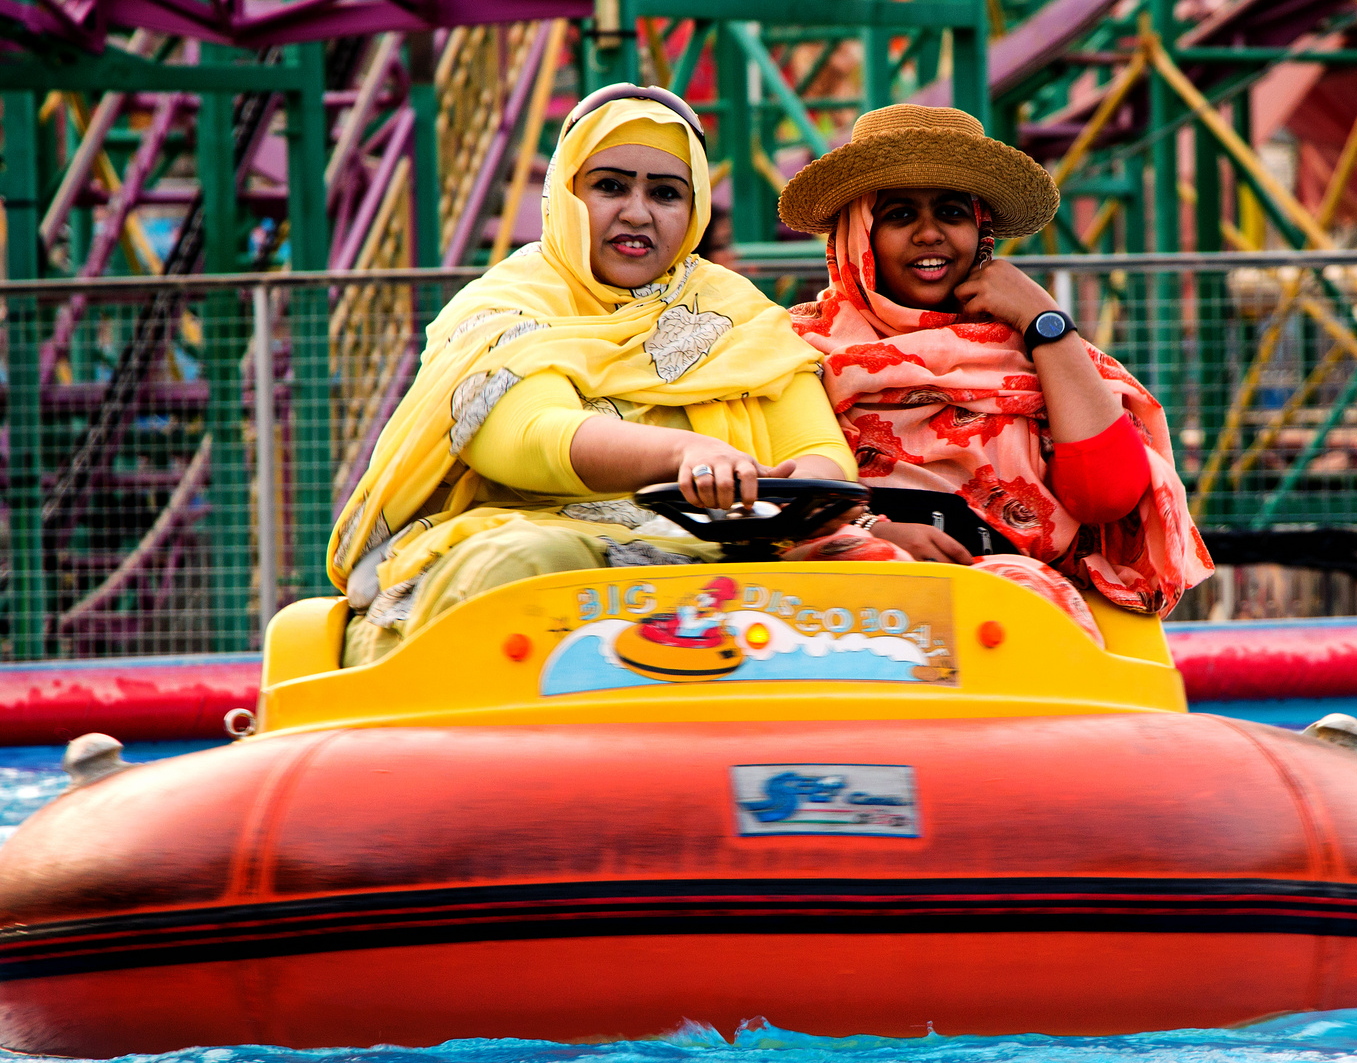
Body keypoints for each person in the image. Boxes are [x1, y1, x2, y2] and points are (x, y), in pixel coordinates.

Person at [329, 85, 881, 666]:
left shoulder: (734, 311)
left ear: (693, 213)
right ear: (565, 193)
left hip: (727, 556)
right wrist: (682, 453)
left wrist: (787, 487)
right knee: (520, 564)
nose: (638, 212)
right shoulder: (505, 303)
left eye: (666, 194)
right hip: (548, 542)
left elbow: (818, 450)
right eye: (610, 186)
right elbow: (525, 435)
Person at [777, 104, 1213, 626]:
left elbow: (1108, 495)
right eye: (899, 215)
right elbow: (769, 494)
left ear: (980, 230)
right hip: (850, 620)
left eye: (951, 213)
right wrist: (873, 533)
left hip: (1019, 622)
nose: (930, 233)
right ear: (858, 236)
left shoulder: (1039, 349)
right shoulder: (793, 349)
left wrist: (1044, 320)